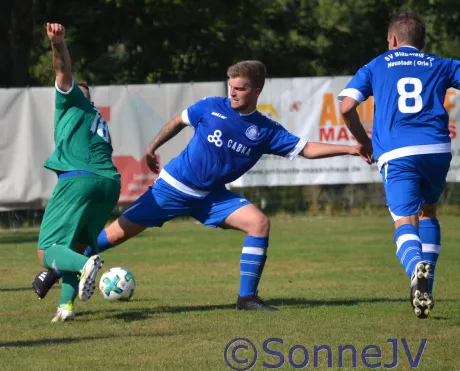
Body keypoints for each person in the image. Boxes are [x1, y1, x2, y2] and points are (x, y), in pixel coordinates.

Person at [82, 60, 370, 311]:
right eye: (230, 86)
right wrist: (151, 148)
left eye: (240, 88)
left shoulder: (266, 130)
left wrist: (349, 149)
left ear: (256, 91)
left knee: (259, 223)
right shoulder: (210, 106)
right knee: (115, 235)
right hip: (172, 188)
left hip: (210, 197)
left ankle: (247, 299)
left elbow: (306, 148)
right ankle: (59, 270)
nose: (232, 92)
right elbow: (177, 121)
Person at [339, 12, 460, 318]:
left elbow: (346, 107)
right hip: (436, 148)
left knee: (404, 220)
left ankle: (414, 267)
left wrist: (364, 141)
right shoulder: (440, 63)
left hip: (398, 151)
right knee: (428, 211)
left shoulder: (377, 64)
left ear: (392, 40)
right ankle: (425, 288)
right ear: (423, 41)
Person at [31, 23, 121, 322]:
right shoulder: (95, 116)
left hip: (79, 180)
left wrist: (57, 43)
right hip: (109, 185)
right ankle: (66, 306)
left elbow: (62, 70)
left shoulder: (70, 100)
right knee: (74, 246)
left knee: (47, 252)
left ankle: (85, 267)